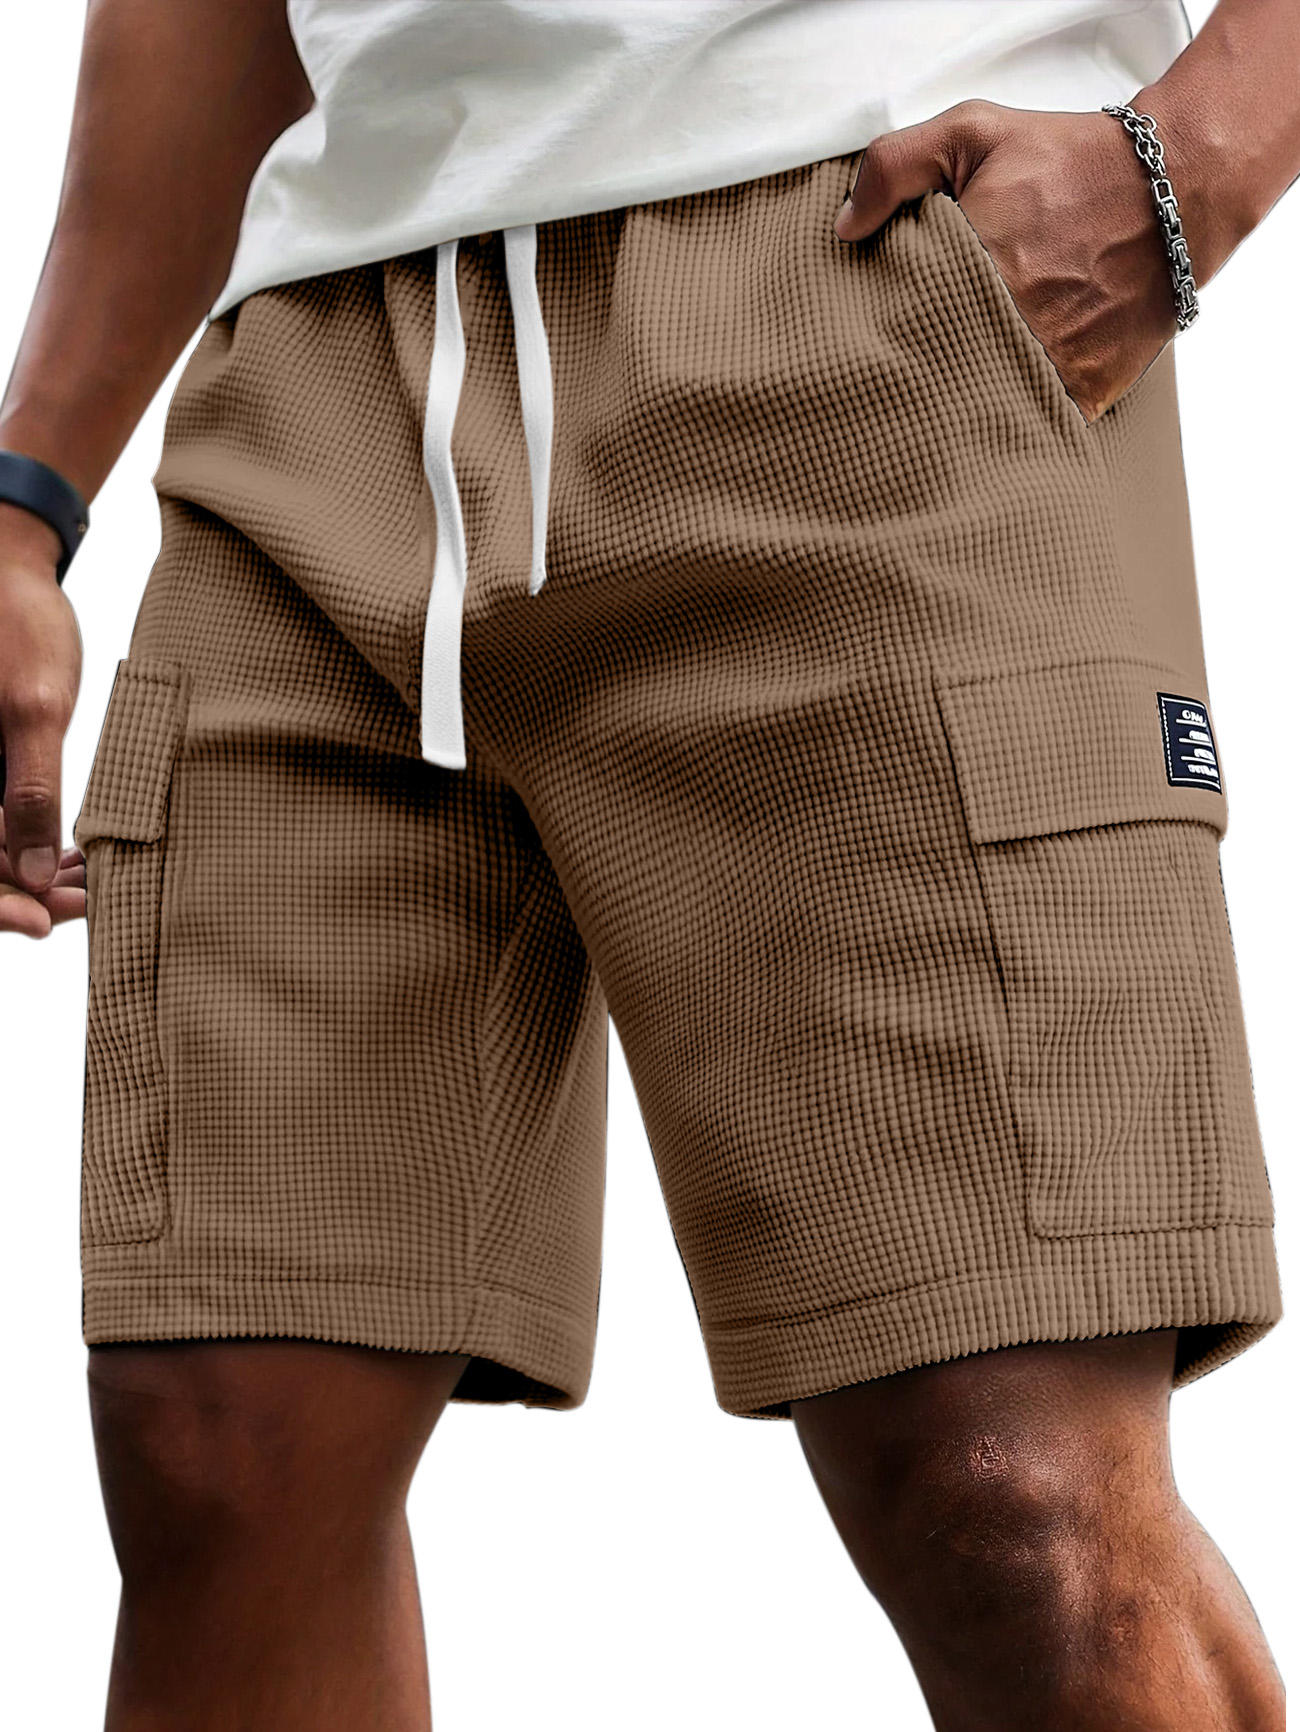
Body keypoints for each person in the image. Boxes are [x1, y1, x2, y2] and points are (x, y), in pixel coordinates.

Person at [0, 0, 1292, 1725]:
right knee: (217, 1447)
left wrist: (1193, 155)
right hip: (321, 378)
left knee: (1010, 1485)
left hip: (866, 272)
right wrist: (25, 498)